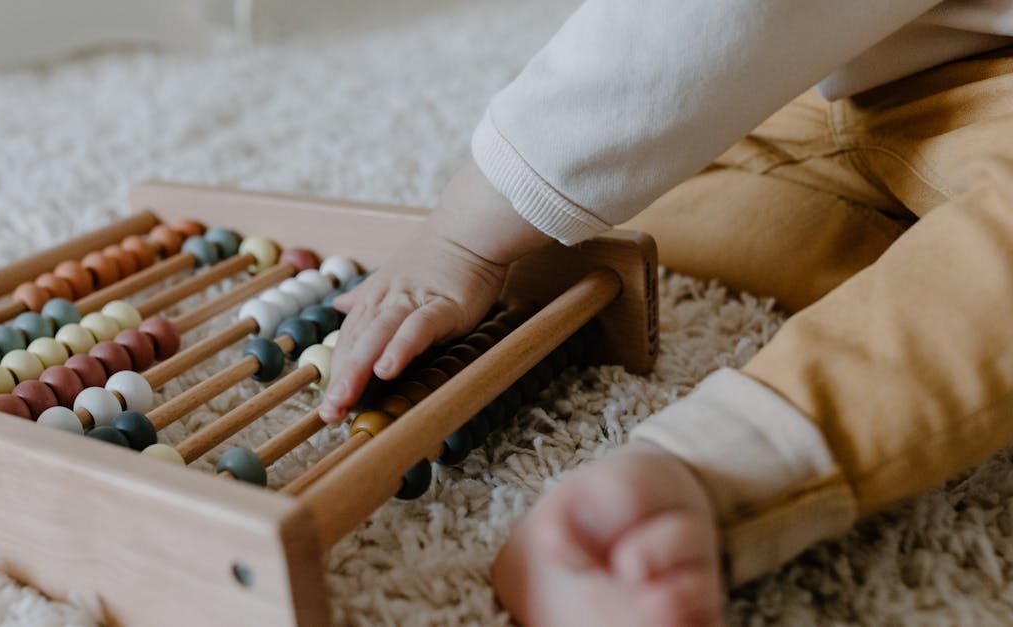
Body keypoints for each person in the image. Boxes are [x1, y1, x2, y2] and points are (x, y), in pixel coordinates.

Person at [317, 1, 1013, 624]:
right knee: (631, 189)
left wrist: (464, 234)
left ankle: (720, 461)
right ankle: (945, 282)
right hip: (857, 63)